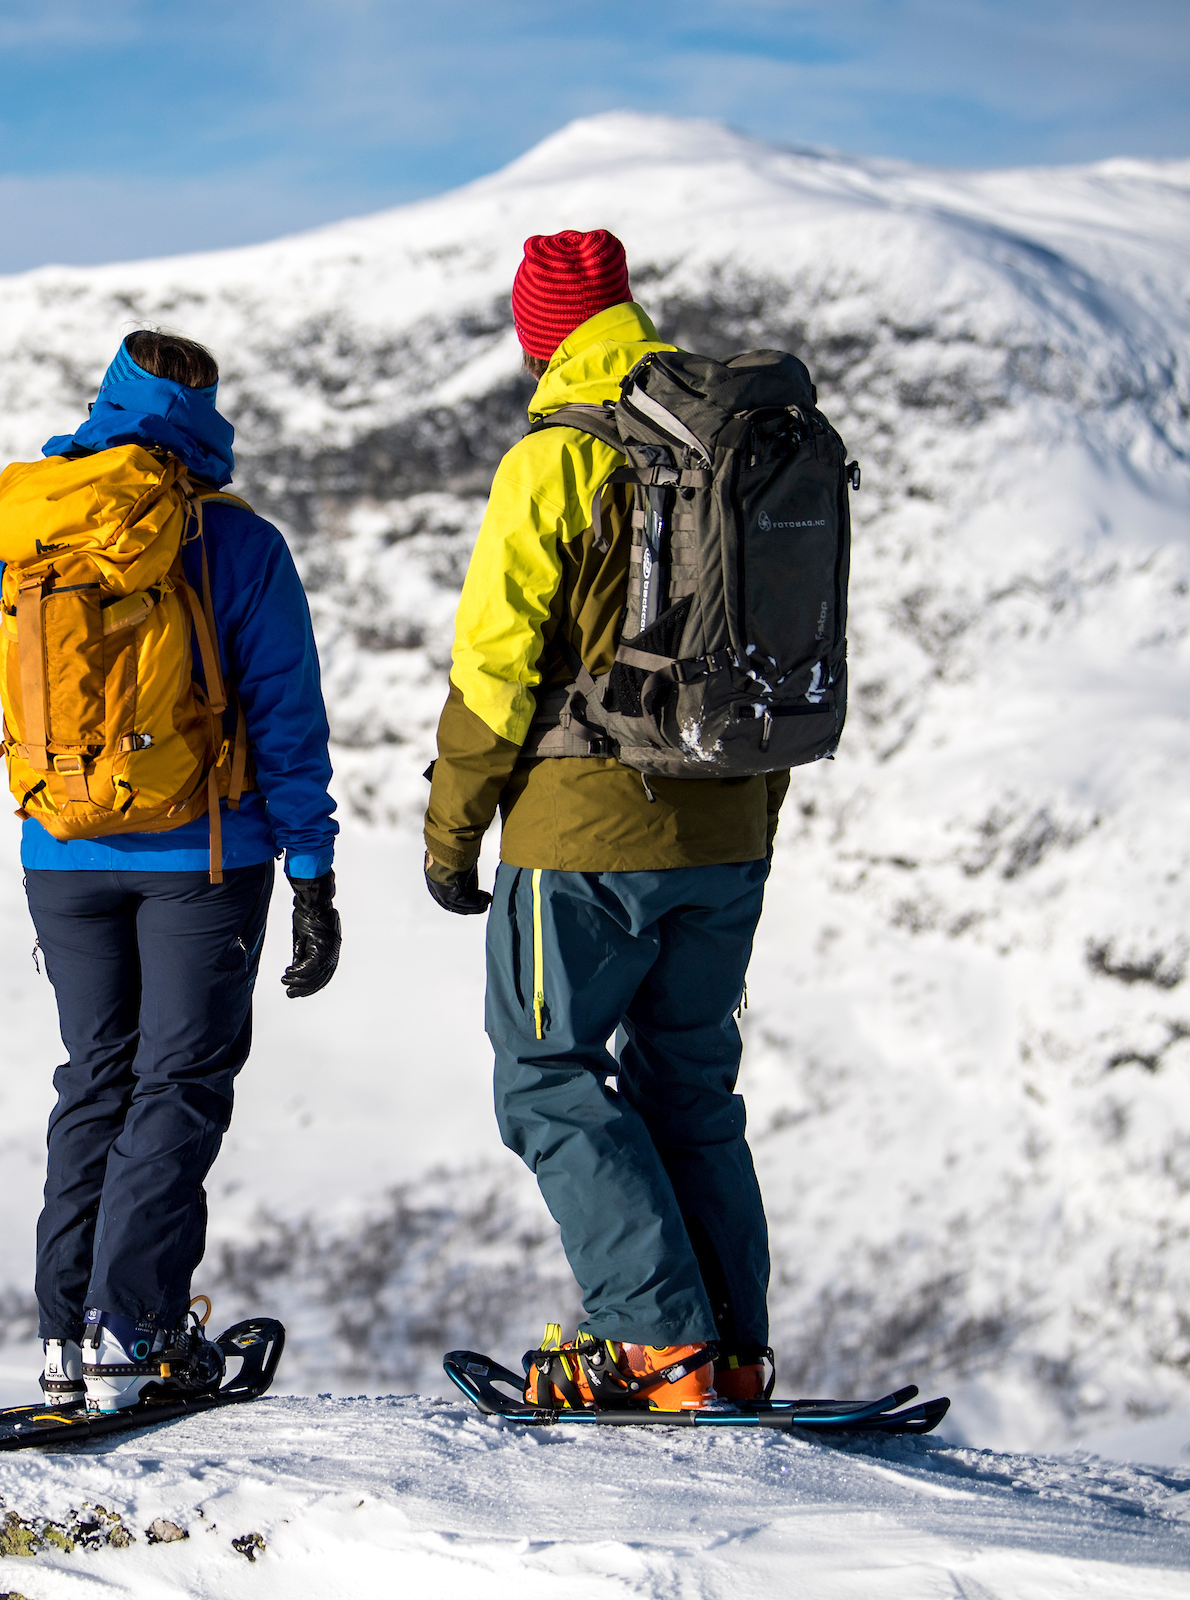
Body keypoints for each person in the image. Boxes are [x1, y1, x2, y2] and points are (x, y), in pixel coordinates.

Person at [0, 330, 340, 1413]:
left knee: (96, 1078)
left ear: (107, 401)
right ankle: (138, 1330)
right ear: (206, 418)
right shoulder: (240, 544)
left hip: (60, 854)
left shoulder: (32, 523)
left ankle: (60, 1339)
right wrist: (311, 874)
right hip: (203, 855)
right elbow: (286, 720)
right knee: (176, 1085)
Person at [422, 230, 785, 1411]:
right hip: (729, 825)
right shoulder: (731, 441)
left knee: (548, 1077)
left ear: (540, 334)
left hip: (583, 841)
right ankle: (730, 1350)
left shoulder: (558, 457)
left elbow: (495, 669)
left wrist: (454, 830)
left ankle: (652, 1346)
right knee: (691, 1086)